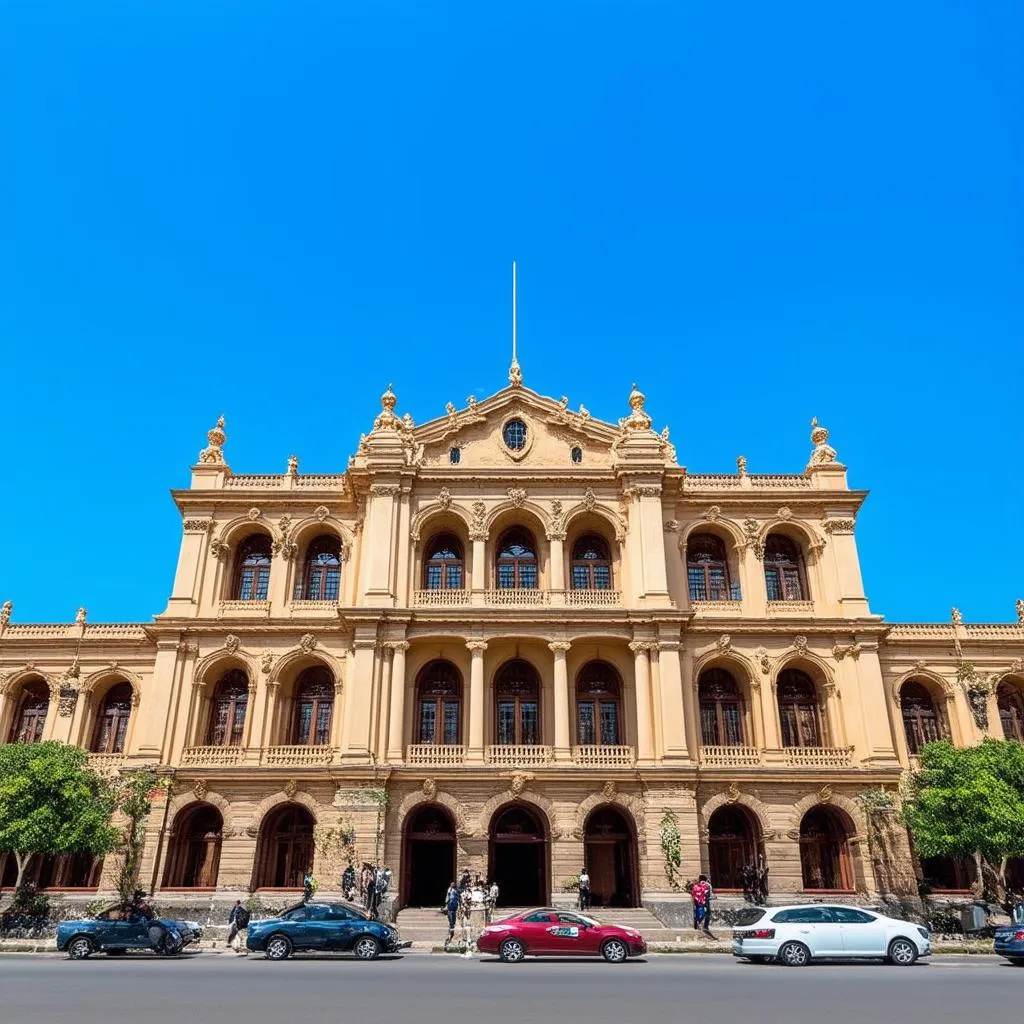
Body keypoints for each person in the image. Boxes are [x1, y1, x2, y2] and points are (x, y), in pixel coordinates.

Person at [443, 881, 460, 951]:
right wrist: (446, 904)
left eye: (453, 884)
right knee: (451, 922)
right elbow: (447, 897)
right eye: (451, 884)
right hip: (450, 907)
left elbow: (459, 898)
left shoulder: (457, 890)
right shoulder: (449, 890)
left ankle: (452, 934)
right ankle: (450, 934)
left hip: (455, 907)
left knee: (454, 921)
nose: (452, 885)